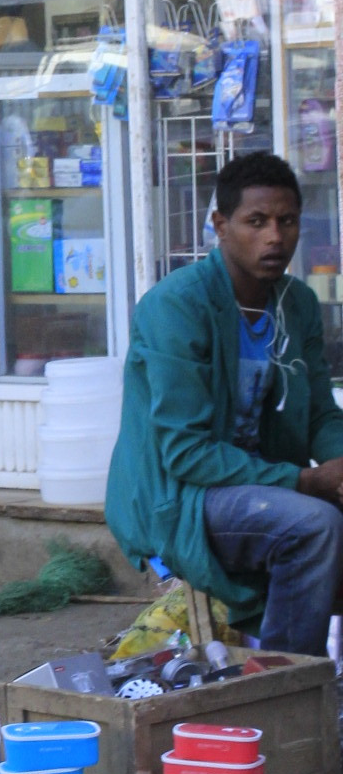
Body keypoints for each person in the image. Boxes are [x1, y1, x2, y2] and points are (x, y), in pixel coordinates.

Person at [107, 149, 343, 656]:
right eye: (256, 222)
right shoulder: (177, 306)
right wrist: (303, 480)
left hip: (257, 484)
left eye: (287, 221)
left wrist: (340, 465)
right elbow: (184, 452)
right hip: (183, 496)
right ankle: (284, 680)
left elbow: (321, 412)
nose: (274, 236)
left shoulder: (296, 303)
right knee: (314, 525)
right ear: (220, 224)